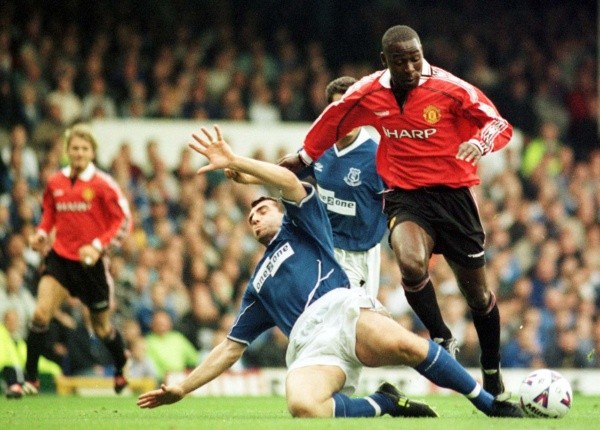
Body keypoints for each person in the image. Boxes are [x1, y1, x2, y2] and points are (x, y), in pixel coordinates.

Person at [137, 125, 523, 418]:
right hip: (309, 344)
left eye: (264, 207)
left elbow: (289, 180)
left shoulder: (303, 224)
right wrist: (183, 388)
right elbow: (230, 348)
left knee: (408, 346)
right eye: (251, 216)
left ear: (280, 210)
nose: (256, 215)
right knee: (303, 406)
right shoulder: (257, 284)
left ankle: (490, 404)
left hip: (342, 309)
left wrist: (236, 162)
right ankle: (382, 403)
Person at [278, 25, 512, 398]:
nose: (409, 67)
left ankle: (492, 368)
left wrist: (477, 142)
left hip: (454, 198)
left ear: (423, 54)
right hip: (406, 194)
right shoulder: (370, 91)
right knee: (411, 264)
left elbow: (497, 123)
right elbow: (336, 118)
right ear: (385, 61)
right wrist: (306, 155)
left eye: (415, 58)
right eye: (400, 61)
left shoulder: (450, 88)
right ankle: (440, 335)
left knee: (479, 297)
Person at [23, 123, 132, 395]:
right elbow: (49, 213)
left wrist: (97, 246)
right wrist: (40, 234)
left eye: (85, 148)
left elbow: (123, 221)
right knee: (39, 314)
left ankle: (120, 365)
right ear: (67, 150)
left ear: (92, 152)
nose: (79, 152)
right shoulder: (55, 182)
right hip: (60, 259)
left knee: (102, 328)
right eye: (75, 148)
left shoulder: (103, 184)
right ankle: (30, 378)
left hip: (91, 266)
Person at [296, 76, 387, 297]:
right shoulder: (318, 147)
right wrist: (248, 174)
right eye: (340, 110)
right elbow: (287, 175)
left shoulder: (378, 155)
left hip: (358, 255)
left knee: (353, 324)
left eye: (353, 111)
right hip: (324, 248)